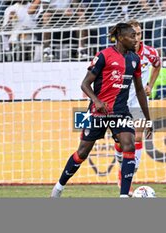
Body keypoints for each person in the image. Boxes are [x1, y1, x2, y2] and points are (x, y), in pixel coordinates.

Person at [51, 23, 152, 198]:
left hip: (121, 112)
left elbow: (140, 90)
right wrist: (96, 101)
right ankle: (58, 188)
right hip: (98, 112)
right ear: (121, 38)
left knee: (129, 145)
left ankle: (123, 196)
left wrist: (147, 118)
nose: (136, 40)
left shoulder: (134, 59)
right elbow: (85, 83)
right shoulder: (104, 56)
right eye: (132, 36)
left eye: (137, 36)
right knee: (82, 152)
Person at [113, 19, 160, 195]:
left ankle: (127, 177)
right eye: (133, 33)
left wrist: (150, 85)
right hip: (120, 101)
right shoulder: (120, 53)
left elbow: (158, 65)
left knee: (137, 137)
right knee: (121, 141)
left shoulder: (150, 53)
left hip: (138, 101)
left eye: (139, 33)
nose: (137, 37)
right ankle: (121, 168)